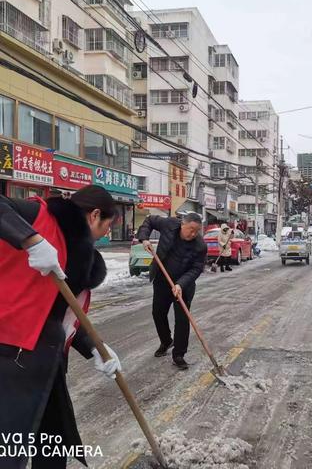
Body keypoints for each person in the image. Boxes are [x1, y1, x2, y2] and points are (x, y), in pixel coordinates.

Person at [0, 185, 121, 469]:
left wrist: (96, 348)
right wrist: (30, 240)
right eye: (106, 226)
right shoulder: (37, 217)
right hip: (9, 353)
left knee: (52, 441)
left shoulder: (78, 261)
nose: (105, 234)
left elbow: (61, 317)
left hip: (46, 360)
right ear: (94, 216)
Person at [138, 212, 207, 370]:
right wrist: (144, 238)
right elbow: (149, 220)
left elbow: (197, 269)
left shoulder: (200, 246)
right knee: (158, 313)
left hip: (184, 286)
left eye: (197, 231)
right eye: (191, 229)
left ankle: (179, 354)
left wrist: (180, 284)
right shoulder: (168, 224)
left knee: (182, 319)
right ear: (183, 224)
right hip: (162, 280)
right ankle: (166, 341)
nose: (193, 233)